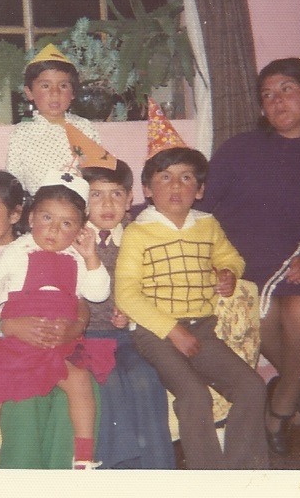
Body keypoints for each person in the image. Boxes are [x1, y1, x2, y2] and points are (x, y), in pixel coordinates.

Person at [115, 101, 269, 470]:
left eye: (186, 178)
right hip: (156, 333)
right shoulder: (138, 232)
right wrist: (173, 331)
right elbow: (126, 294)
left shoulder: (207, 224)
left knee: (252, 387)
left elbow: (232, 258)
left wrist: (228, 273)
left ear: (199, 190)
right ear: (148, 189)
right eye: (165, 177)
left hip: (203, 329)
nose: (176, 186)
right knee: (194, 396)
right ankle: (208, 478)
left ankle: (244, 474)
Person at [199, 57, 300, 456]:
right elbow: (201, 204)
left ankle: (281, 407)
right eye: (267, 95)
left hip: (297, 264)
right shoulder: (240, 148)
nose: (276, 102)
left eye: (286, 90)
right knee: (259, 312)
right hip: (239, 265)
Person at [0, 169, 115, 470]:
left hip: (58, 345)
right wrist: (1, 323)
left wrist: (91, 256)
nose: (54, 230)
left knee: (80, 381)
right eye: (46, 218)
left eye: (66, 223)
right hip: (17, 345)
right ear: (31, 218)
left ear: (80, 229)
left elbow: (98, 294)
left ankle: (83, 456)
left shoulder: (76, 257)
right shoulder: (17, 251)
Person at [81, 160, 175, 469]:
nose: (107, 204)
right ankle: (117, 472)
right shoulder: (74, 238)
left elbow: (155, 284)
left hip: (128, 336)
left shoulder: (138, 237)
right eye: (96, 195)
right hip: (86, 338)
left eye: (116, 194)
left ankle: (157, 472)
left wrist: (132, 315)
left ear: (130, 198)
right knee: (107, 383)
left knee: (145, 378)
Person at [6, 43, 110, 196]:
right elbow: (14, 180)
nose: (55, 92)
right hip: (40, 203)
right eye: (45, 86)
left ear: (73, 92)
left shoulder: (84, 127)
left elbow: (98, 169)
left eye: (63, 86)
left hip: (79, 202)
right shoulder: (21, 133)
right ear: (29, 92)